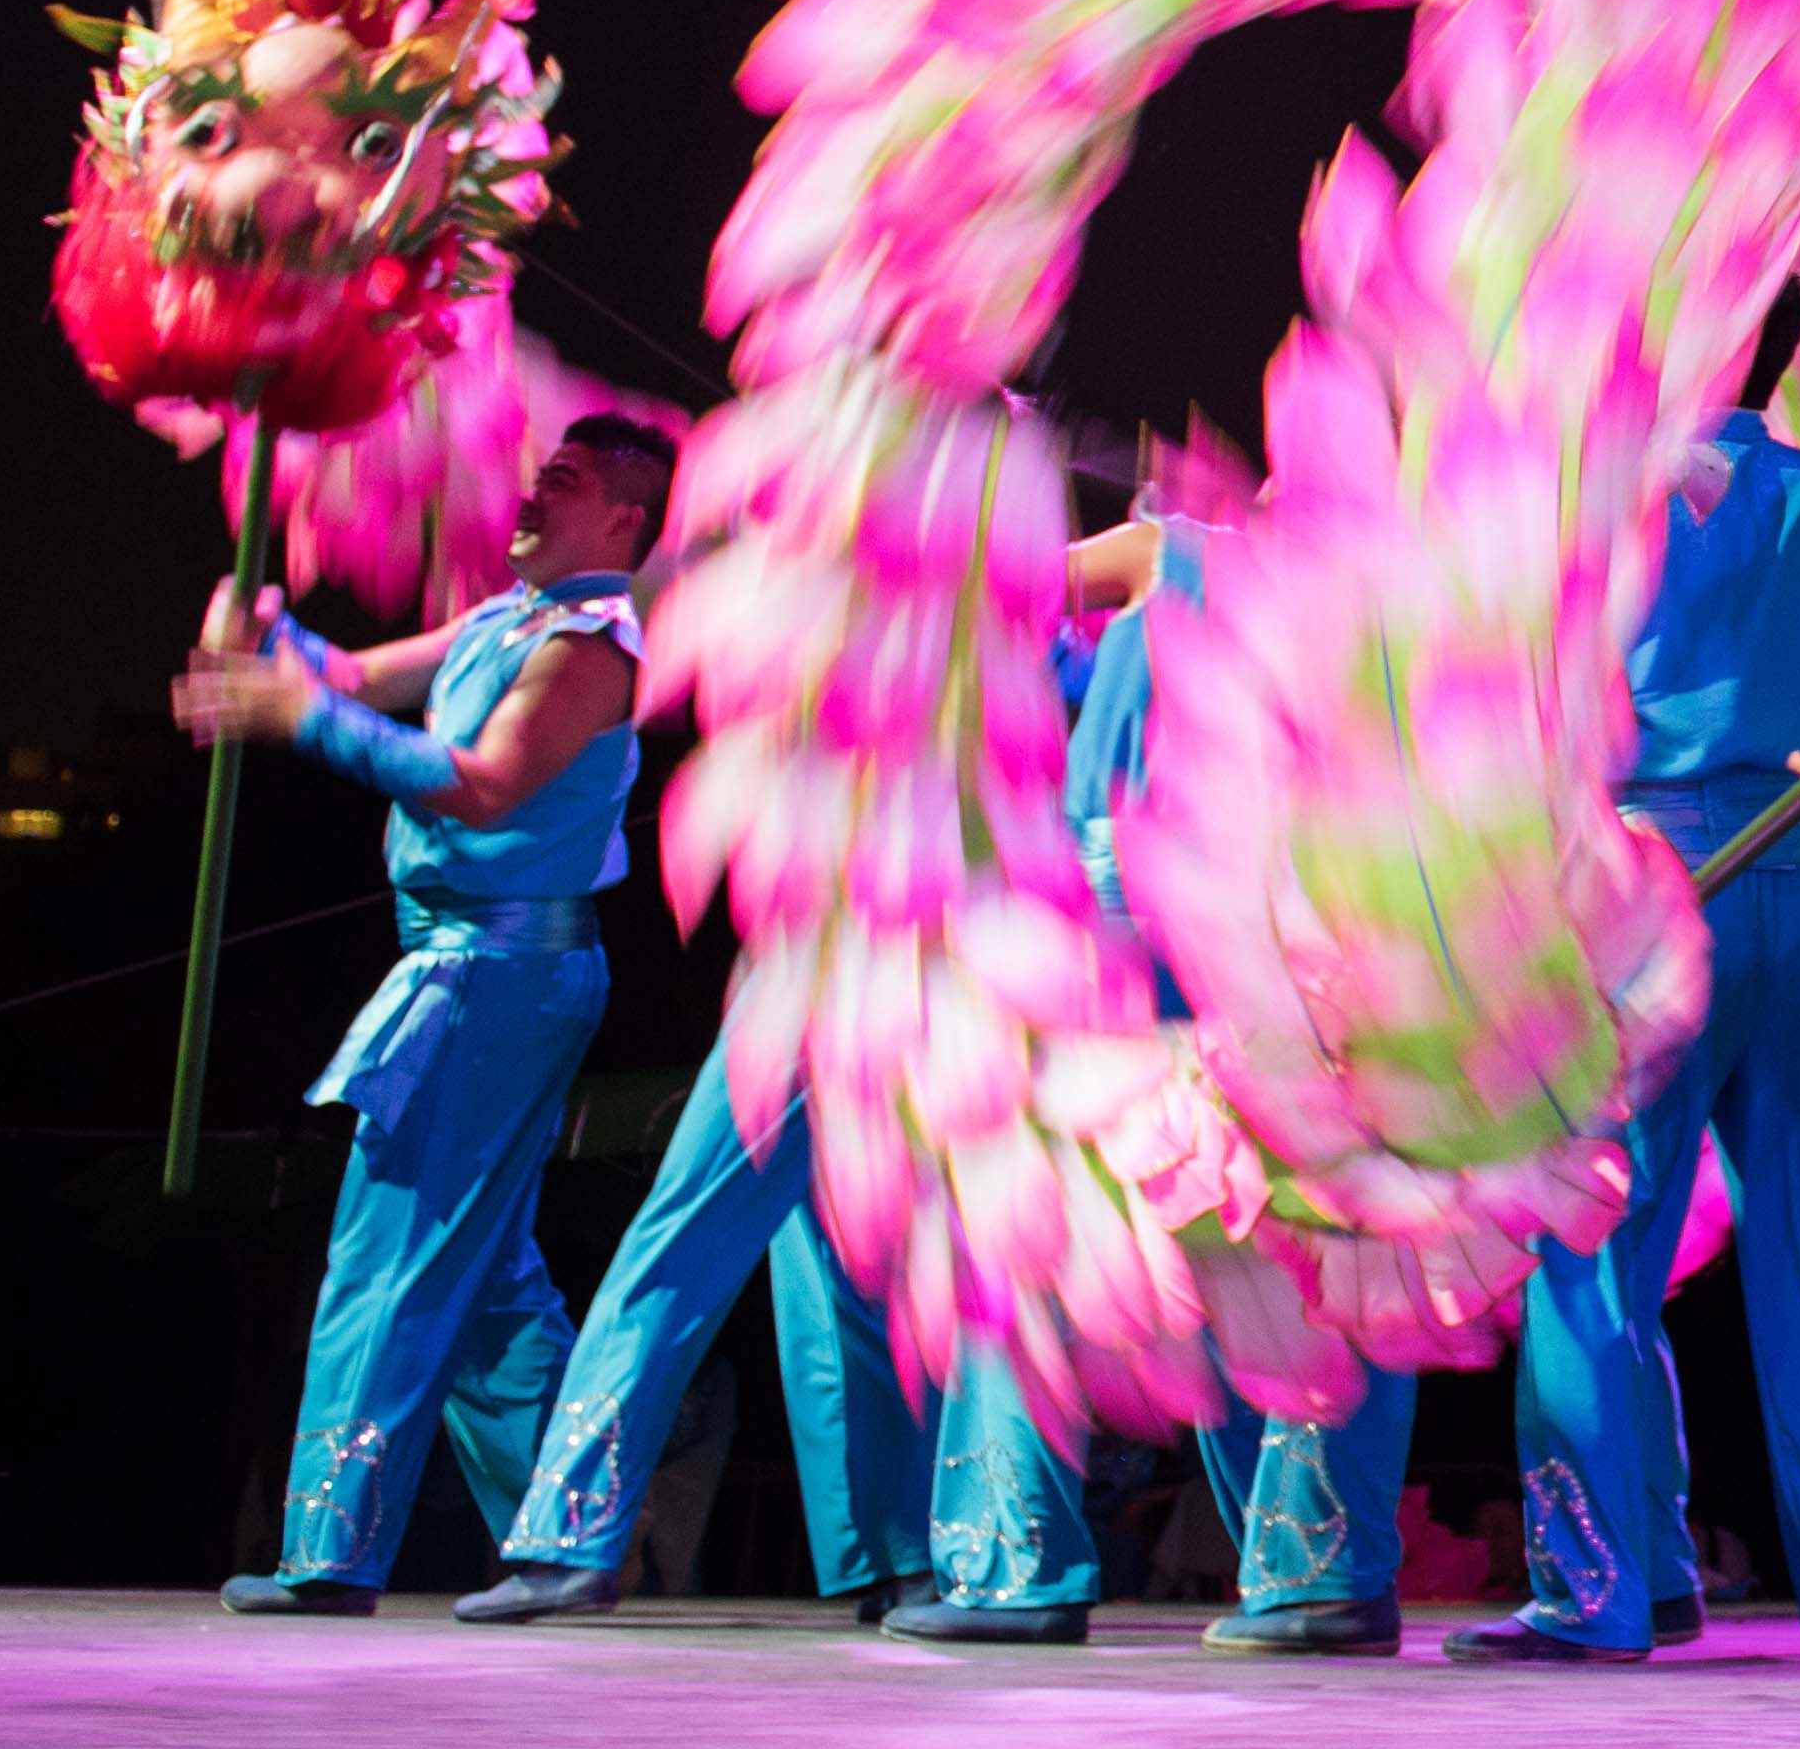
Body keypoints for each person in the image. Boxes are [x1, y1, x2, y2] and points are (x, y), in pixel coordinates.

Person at [1449, 303, 1800, 1668]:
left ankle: (1604, 1584)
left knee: (1591, 1239)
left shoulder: (1596, 495)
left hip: (1650, 888)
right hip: (1798, 878)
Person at [893, 510, 1423, 1653]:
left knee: (1054, 1222)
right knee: (1271, 1231)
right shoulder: (1405, 601)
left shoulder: (1184, 545)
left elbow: (982, 594)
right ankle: (1317, 1574)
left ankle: (1023, 1566)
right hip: (1259, 927)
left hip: (1161, 925)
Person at [178, 410, 674, 1612]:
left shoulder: (589, 644)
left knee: (392, 1250)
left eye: (561, 481)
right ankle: (573, 1534)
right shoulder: (502, 619)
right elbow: (343, 678)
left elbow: (490, 786)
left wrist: (298, 716)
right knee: (487, 1278)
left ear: (622, 520)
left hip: (498, 971)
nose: (528, 494)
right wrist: (262, 630)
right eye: (536, 473)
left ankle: (331, 1553)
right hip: (467, 965)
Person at [453, 1038, 932, 1627]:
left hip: (813, 984)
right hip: (892, 995)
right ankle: (910, 1559)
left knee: (671, 1255)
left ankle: (572, 1540)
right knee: (842, 1273)